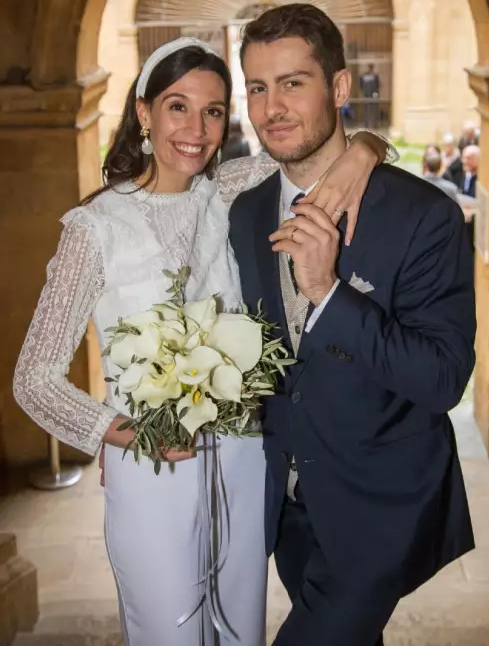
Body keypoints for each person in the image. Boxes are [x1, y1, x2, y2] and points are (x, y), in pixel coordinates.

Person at [13, 37, 391, 646]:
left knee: (241, 629)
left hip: (245, 460)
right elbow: (33, 379)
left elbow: (323, 152)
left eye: (213, 111)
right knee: (168, 631)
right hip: (150, 465)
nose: (196, 128)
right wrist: (125, 435)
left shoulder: (230, 190)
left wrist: (366, 147)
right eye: (177, 106)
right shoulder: (94, 229)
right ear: (144, 112)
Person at [229, 4, 476, 646]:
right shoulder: (246, 211)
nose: (271, 107)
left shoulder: (424, 216)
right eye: (257, 87)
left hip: (381, 506)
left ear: (339, 88)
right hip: (287, 505)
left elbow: (443, 378)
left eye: (293, 83)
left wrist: (329, 293)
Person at [359, 63, 380, 128]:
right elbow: (361, 85)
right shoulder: (366, 75)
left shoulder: (373, 75)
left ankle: (373, 124)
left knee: (372, 109)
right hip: (369, 94)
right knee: (369, 109)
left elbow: (377, 85)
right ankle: (368, 124)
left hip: (371, 94)